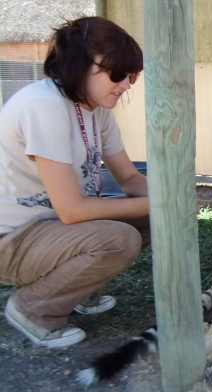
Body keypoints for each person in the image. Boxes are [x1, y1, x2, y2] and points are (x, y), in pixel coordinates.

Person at [0, 17, 150, 347]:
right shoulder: (43, 105)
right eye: (117, 73)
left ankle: (76, 288)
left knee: (155, 218)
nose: (127, 84)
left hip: (47, 228)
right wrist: (164, 204)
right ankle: (33, 308)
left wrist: (170, 199)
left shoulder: (95, 108)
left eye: (133, 75)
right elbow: (71, 210)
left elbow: (128, 177)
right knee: (120, 238)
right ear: (81, 65)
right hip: (12, 239)